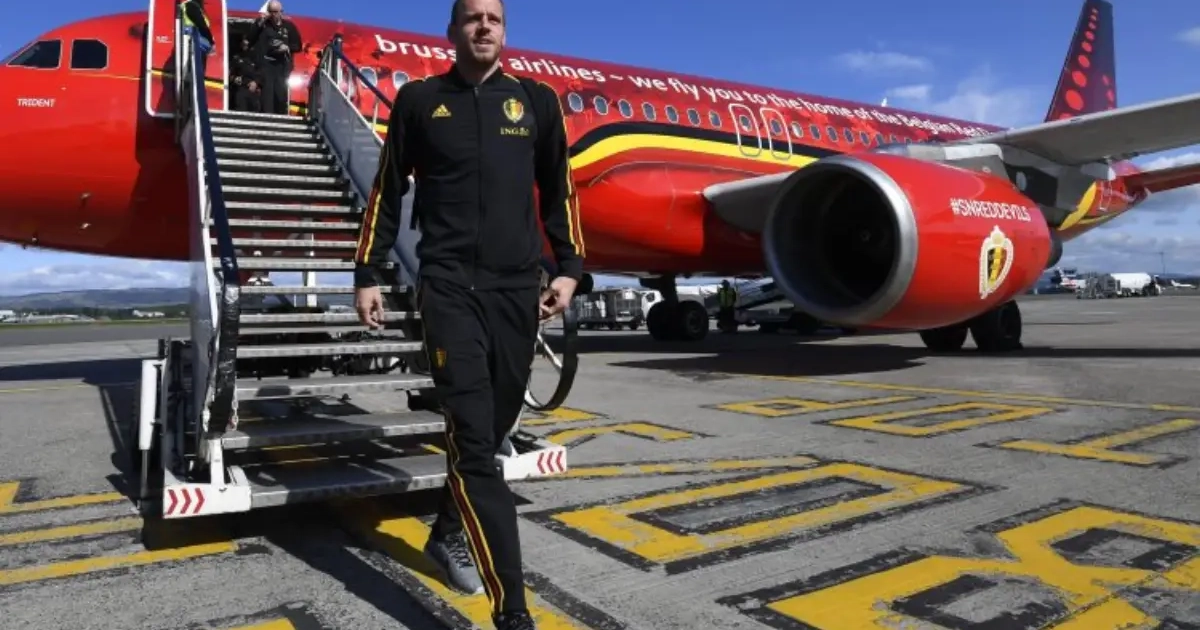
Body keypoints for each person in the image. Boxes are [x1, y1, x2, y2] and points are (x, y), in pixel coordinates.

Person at [352, 0, 583, 628]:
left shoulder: (535, 102)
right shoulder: (420, 101)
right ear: (452, 31)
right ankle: (513, 611)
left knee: (498, 423)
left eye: (494, 19)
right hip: (449, 287)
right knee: (475, 445)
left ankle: (449, 530)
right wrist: (368, 272)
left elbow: (558, 188)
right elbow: (388, 187)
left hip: (517, 290)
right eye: (473, 17)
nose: (484, 26)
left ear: (504, 32)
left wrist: (568, 267)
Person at [245, 0, 302, 114]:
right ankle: (267, 117)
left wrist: (287, 47)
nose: (273, 14)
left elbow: (298, 46)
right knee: (267, 94)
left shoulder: (289, 27)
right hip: (266, 64)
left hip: (282, 65)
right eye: (271, 11)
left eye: (276, 12)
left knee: (280, 94)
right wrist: (260, 22)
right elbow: (250, 39)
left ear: (281, 12)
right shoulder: (263, 25)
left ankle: (281, 117)